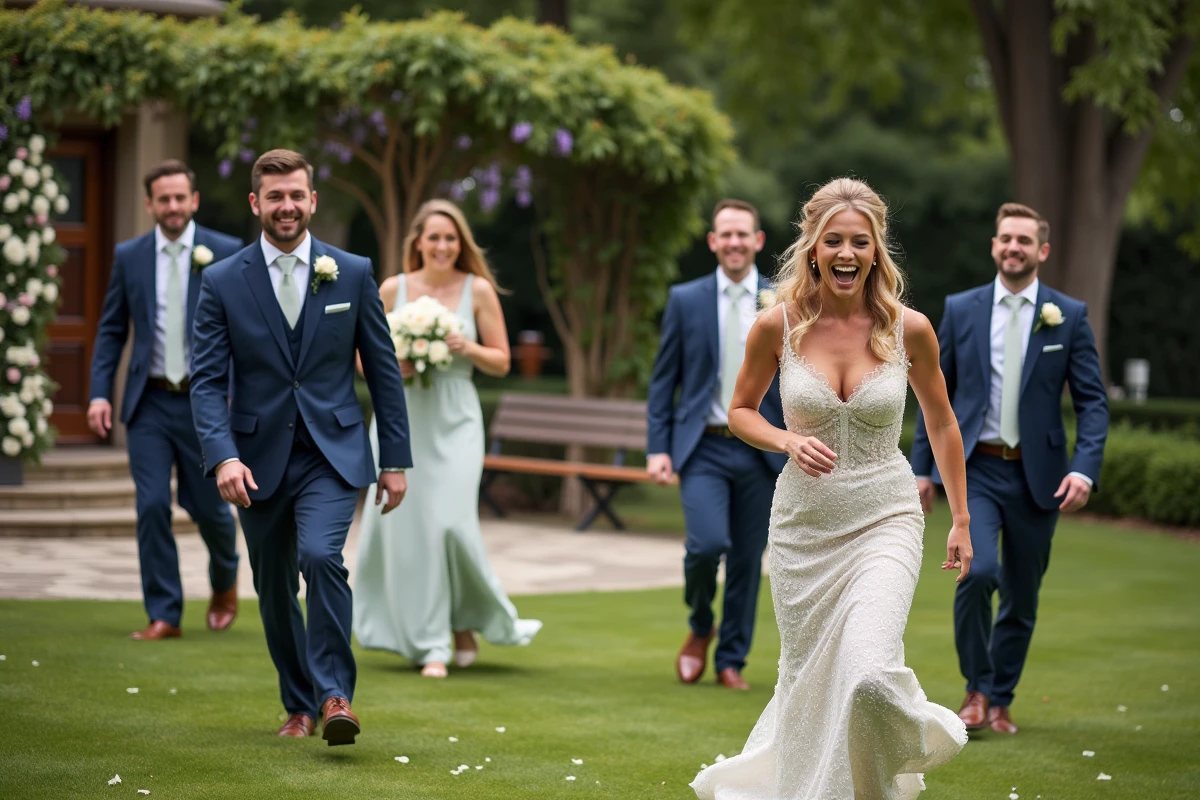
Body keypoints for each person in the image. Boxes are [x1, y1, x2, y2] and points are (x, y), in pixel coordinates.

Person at [692, 178, 971, 799]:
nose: (847, 253)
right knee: (811, 678)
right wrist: (786, 440)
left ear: (876, 250)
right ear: (813, 248)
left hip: (886, 517)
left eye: (860, 242)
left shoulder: (910, 329)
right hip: (805, 529)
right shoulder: (777, 325)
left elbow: (943, 423)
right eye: (834, 241)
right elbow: (740, 411)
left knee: (868, 674)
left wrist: (961, 519)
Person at [190, 149, 411, 745]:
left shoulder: (352, 272)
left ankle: (335, 695)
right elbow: (207, 381)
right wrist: (223, 455)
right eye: (275, 196)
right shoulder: (222, 281)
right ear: (255, 203)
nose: (286, 206)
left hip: (331, 453)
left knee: (320, 556)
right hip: (255, 460)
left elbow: (383, 373)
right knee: (274, 587)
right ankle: (299, 704)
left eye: (296, 195)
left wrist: (394, 459)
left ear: (312, 200)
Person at [911, 202, 1108, 735]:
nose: (1013, 247)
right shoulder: (961, 309)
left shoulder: (1068, 314)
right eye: (1006, 239)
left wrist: (1084, 469)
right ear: (994, 246)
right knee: (978, 574)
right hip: (975, 469)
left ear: (1042, 250)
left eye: (1024, 240)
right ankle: (976, 690)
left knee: (1022, 594)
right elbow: (935, 394)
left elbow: (1092, 402)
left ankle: (1001, 700)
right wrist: (922, 468)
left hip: (1040, 476)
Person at [354, 199, 541, 679]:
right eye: (434, 237)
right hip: (402, 417)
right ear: (417, 242)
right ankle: (437, 636)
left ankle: (456, 625)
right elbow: (360, 357)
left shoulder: (477, 289)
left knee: (450, 524)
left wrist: (466, 345)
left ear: (461, 244)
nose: (442, 246)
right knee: (410, 531)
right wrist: (392, 365)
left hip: (456, 419)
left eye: (451, 238)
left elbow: (501, 360)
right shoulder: (392, 288)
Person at [88, 160, 241, 641]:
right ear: (149, 204)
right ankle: (165, 614)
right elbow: (112, 330)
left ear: (194, 200)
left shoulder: (226, 251)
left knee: (212, 511)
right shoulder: (129, 256)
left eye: (180, 197)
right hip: (149, 402)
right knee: (152, 505)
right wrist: (98, 393)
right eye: (163, 199)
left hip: (206, 403)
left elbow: (245, 332)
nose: (173, 206)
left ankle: (225, 577)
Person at [646, 199, 787, 691]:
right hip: (703, 447)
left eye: (742, 234)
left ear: (757, 240)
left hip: (761, 450)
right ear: (712, 241)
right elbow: (664, 381)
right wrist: (658, 448)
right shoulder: (685, 300)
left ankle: (731, 660)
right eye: (725, 234)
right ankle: (701, 623)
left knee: (747, 559)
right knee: (705, 547)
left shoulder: (783, 301)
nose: (734, 242)